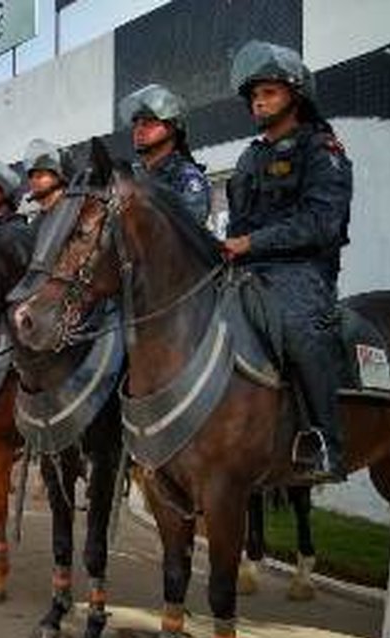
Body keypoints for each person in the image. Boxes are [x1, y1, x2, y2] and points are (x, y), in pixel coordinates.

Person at [222, 40, 352, 482]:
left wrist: (250, 243)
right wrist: (230, 249)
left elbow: (323, 224)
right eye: (255, 94)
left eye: (270, 92)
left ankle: (326, 445)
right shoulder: (249, 158)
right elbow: (236, 227)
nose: (259, 100)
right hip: (248, 270)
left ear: (295, 95)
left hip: (303, 272)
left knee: (298, 329)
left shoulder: (323, 149)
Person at [118, 83, 212, 227]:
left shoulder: (187, 177)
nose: (139, 130)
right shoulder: (130, 177)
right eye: (136, 124)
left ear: (173, 127)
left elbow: (187, 230)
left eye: (148, 122)